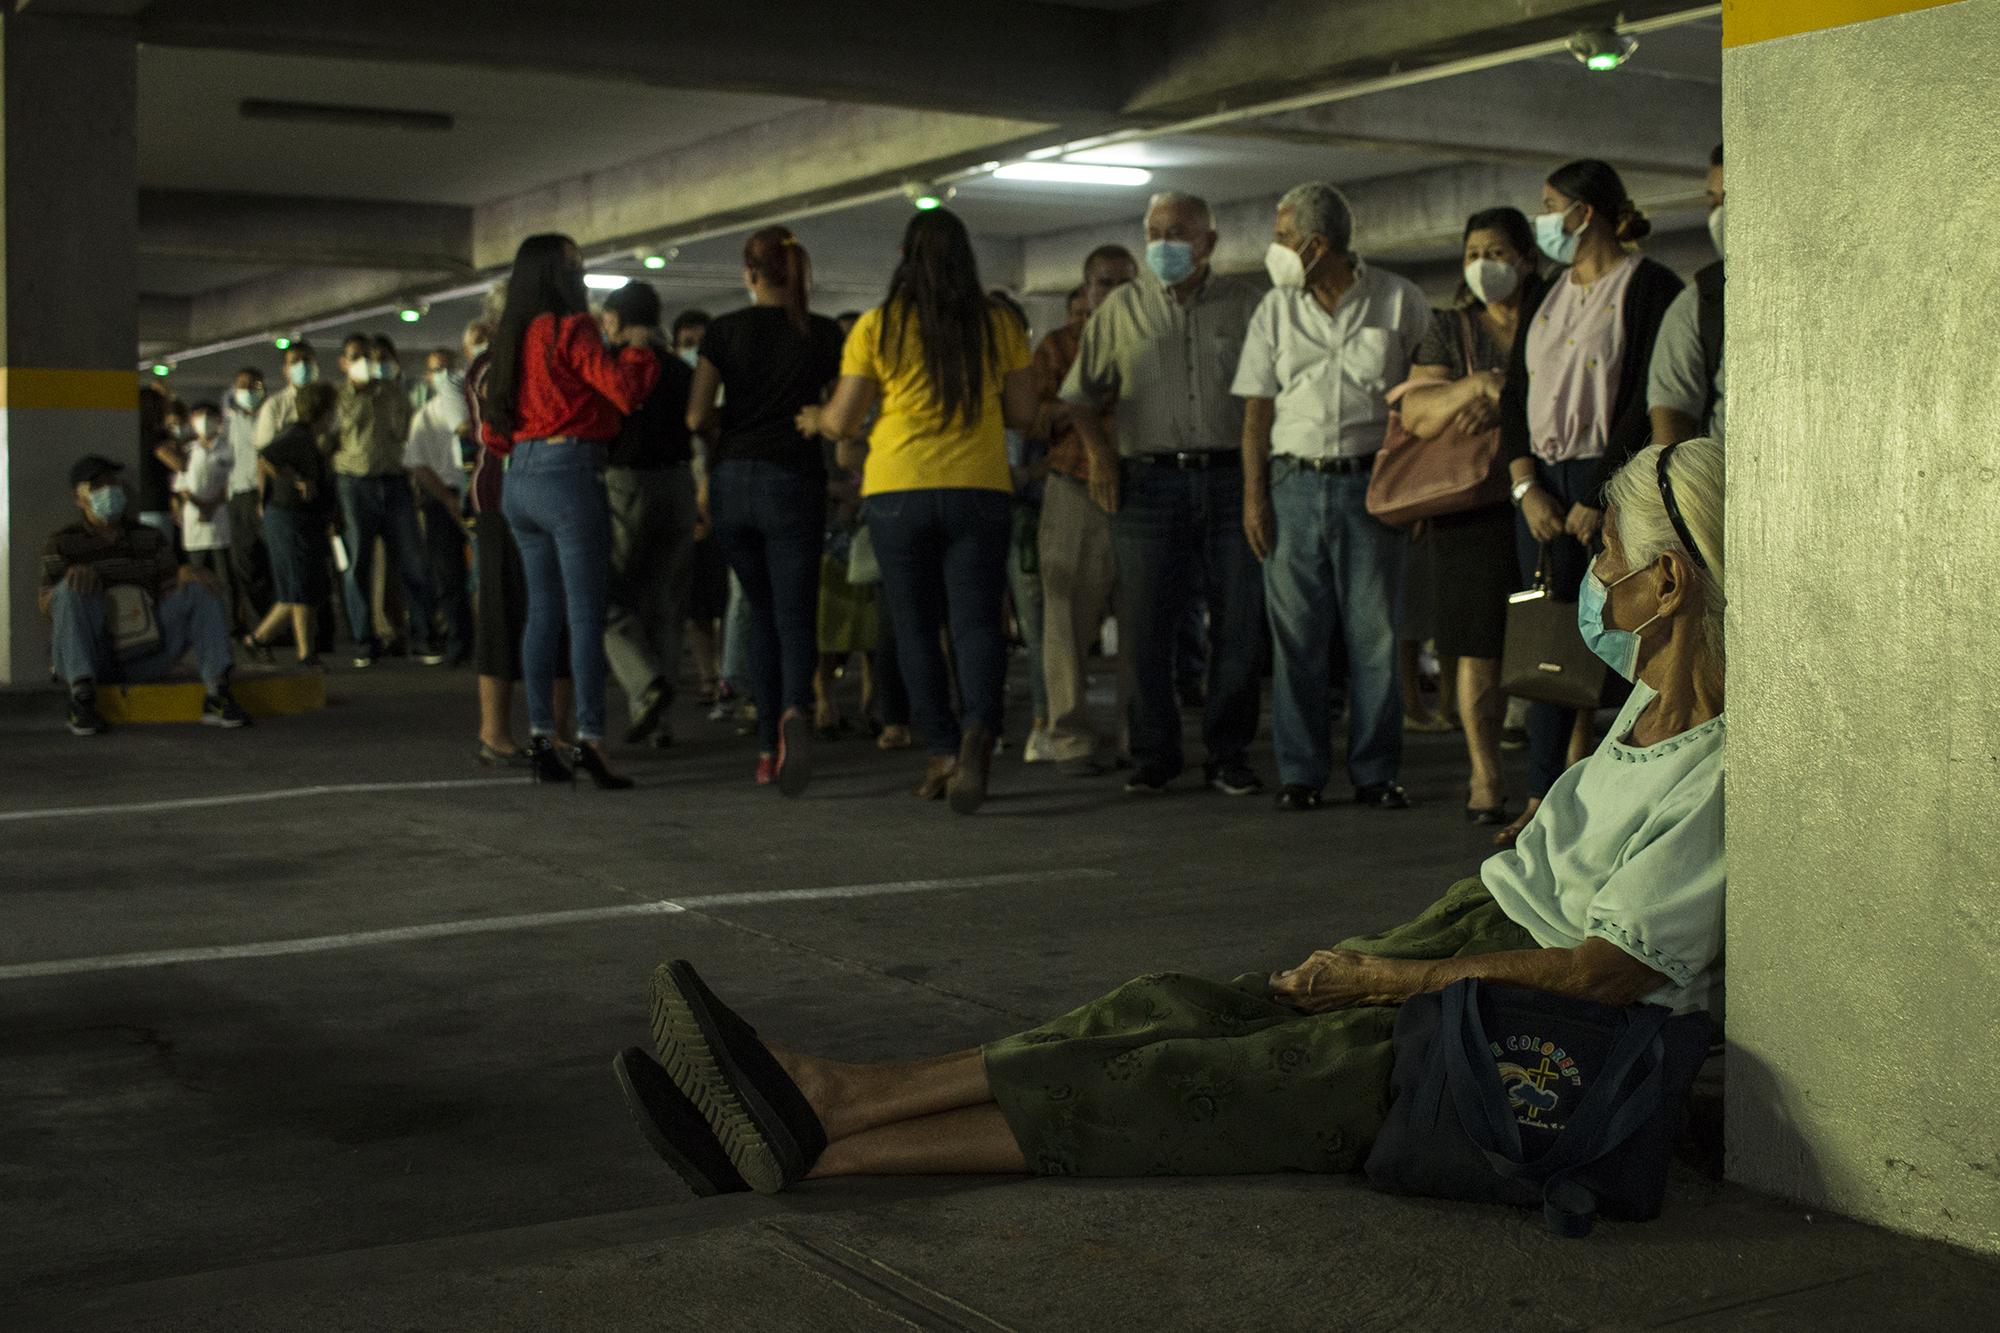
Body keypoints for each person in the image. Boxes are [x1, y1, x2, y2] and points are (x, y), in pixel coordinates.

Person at [616, 437, 1726, 1197]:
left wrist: (1382, 980)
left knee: (1211, 1081)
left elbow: (1597, 974)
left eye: (1608, 558)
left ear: (1668, 585)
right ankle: (837, 1103)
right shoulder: (1641, 695)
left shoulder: (1724, 772)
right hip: (1473, 934)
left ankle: (823, 1139)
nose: (1589, 570)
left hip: (1540, 1029)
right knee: (1175, 1007)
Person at [798, 208, 1036, 813]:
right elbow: (1025, 414)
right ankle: (982, 727)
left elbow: (845, 420)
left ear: (904, 258)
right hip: (979, 488)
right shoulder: (998, 324)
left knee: (913, 625)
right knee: (978, 622)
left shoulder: (878, 326)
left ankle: (943, 751)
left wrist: (816, 420)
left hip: (897, 489)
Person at [1497, 160, 1686, 848]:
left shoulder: (1650, 285)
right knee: (1547, 641)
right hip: (1542, 485)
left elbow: (1644, 397)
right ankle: (1542, 791)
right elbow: (1517, 394)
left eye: (1551, 205)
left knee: (1611, 632)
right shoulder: (1547, 291)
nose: (1545, 219)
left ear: (1587, 211)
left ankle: (1607, 787)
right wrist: (1525, 486)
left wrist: (1599, 496)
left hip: (1605, 480)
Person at [1060, 192, 1267, 798]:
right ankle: (1155, 753)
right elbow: (1078, 395)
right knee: (1146, 624)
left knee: (1238, 622)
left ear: (1209, 242)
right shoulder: (1121, 310)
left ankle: (1229, 753)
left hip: (1232, 479)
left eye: (1176, 232)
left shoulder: (1247, 307)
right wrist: (1100, 455)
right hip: (1148, 483)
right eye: (1154, 232)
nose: (1162, 244)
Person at [1236, 182, 1432, 813]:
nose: (1274, 249)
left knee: (1376, 636)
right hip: (1292, 484)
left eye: (1280, 237)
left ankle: (1376, 772)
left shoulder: (1401, 300)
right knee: (1296, 639)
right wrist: (1254, 497)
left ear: (1316, 246)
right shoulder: (1273, 310)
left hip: (1373, 484)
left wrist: (1420, 494)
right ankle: (1302, 773)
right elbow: (1256, 413)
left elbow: (1428, 405)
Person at [482, 233, 658, 789]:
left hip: (520, 481)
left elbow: (492, 428)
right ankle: (589, 741)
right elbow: (625, 393)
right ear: (560, 274)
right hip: (569, 471)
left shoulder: (508, 338)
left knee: (542, 614)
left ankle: (541, 739)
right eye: (576, 265)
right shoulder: (570, 329)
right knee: (584, 616)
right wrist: (636, 349)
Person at [1395, 207, 1547, 824]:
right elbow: (1417, 414)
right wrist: (1478, 388)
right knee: (1477, 644)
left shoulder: (1550, 314)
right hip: (1471, 508)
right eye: (1472, 253)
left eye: (1498, 251)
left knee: (1548, 640)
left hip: (1541, 492)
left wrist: (1507, 405)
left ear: (1527, 258)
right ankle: (1486, 778)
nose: (1484, 264)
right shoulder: (1448, 328)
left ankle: (1551, 773)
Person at [687, 228, 845, 794]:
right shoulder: (824, 333)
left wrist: (729, 429)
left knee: (758, 610)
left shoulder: (724, 331)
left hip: (733, 481)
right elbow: (840, 410)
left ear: (749, 273)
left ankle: (762, 749)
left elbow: (695, 415)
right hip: (793, 480)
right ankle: (796, 713)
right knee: (796, 610)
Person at [42, 454, 251, 735]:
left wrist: (184, 574)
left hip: (147, 649)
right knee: (71, 589)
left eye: (112, 484)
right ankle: (82, 699)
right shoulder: (62, 542)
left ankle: (218, 693)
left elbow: (168, 591)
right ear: (79, 498)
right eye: (97, 487)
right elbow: (46, 603)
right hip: (97, 656)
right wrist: (70, 583)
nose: (109, 492)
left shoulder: (148, 537)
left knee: (200, 588)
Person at [1032, 248, 1138, 776]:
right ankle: (1069, 732)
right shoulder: (1059, 346)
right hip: (1075, 486)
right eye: (1103, 282)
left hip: (1144, 487)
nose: (1114, 292)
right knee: (1065, 611)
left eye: (1124, 282)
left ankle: (1136, 734)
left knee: (1143, 616)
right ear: (1085, 287)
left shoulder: (1153, 338)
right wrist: (1081, 414)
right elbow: (1032, 417)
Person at [465, 314, 575, 766]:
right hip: (502, 494)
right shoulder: (493, 365)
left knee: (558, 613)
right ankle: (494, 733)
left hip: (555, 489)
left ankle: (555, 731)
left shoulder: (553, 358)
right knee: (502, 612)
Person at [600, 282, 700, 748]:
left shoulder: (615, 369)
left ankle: (644, 687)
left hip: (628, 485)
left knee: (607, 597)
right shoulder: (682, 370)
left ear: (616, 321)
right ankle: (660, 723)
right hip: (679, 485)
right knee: (663, 604)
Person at [331, 332, 436, 668]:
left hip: (394, 482)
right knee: (358, 563)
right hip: (355, 483)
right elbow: (333, 436)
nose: (365, 362)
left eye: (369, 356)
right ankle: (365, 641)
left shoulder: (394, 393)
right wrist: (359, 394)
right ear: (344, 363)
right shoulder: (339, 398)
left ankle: (423, 636)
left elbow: (406, 434)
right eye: (357, 356)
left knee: (413, 561)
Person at [993, 289, 1050, 761]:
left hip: (1022, 512)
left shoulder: (1034, 380)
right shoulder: (969, 382)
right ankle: (985, 723)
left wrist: (1030, 473)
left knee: (1036, 623)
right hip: (981, 511)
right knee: (980, 626)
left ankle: (1044, 717)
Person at [246, 381, 339, 667]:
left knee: (304, 586)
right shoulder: (296, 436)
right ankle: (275, 642)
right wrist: (296, 479)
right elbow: (267, 456)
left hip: (303, 519)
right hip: (289, 518)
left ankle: (296, 648)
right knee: (296, 587)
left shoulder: (311, 439)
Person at [1649, 144, 1726, 446]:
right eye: (1713, 203)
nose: (1720, 214)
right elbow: (1670, 433)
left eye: (1731, 199)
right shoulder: (1699, 303)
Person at [405, 347, 476, 668]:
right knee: (449, 576)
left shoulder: (474, 408)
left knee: (485, 573)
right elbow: (418, 465)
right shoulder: (425, 416)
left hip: (477, 494)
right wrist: (447, 499)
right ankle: (459, 641)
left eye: (449, 369)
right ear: (428, 377)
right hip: (442, 497)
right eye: (437, 371)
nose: (444, 377)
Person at [222, 366, 272, 637]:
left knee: (271, 560)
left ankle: (278, 625)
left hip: (267, 495)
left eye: (254, 385)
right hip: (239, 496)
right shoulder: (229, 422)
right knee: (246, 565)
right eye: (243, 385)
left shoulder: (272, 416)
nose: (248, 390)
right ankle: (259, 622)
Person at [174, 402, 236, 613]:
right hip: (195, 517)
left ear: (219, 420)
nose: (204, 420)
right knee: (196, 572)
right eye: (199, 415)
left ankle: (228, 619)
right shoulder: (188, 450)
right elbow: (181, 485)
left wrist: (212, 504)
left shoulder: (227, 448)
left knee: (223, 574)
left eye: (209, 415)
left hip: (219, 515)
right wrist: (200, 505)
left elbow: (231, 481)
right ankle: (197, 615)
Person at [253, 342, 319, 449]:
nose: (302, 365)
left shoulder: (332, 400)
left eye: (307, 360)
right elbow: (264, 447)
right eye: (294, 361)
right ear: (285, 369)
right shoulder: (275, 405)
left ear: (316, 364)